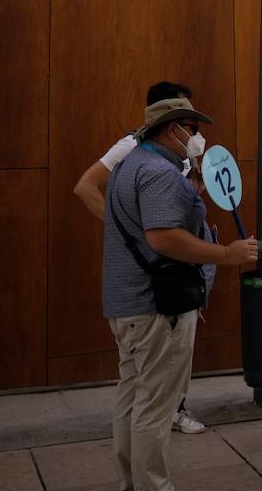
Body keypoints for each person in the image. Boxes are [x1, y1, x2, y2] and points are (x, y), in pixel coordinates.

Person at [103, 98, 257, 491]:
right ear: (173, 130)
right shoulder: (158, 172)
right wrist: (226, 254)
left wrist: (190, 196)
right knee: (155, 405)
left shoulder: (129, 166)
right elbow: (164, 237)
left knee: (132, 400)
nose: (198, 137)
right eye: (192, 127)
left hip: (127, 304)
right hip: (157, 308)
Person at [76, 81, 210, 436]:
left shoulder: (175, 157)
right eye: (188, 122)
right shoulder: (133, 149)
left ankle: (172, 418)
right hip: (152, 288)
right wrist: (128, 229)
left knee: (151, 383)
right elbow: (85, 186)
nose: (195, 134)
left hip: (178, 280)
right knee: (148, 395)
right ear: (167, 121)